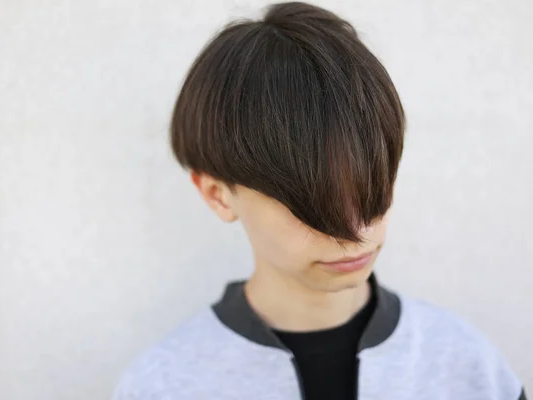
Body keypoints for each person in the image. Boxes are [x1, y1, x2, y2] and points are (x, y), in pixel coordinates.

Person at [113, 2, 526, 399]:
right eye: (313, 203)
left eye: (371, 190)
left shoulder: (468, 368)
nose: (355, 232)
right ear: (218, 195)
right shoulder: (161, 386)